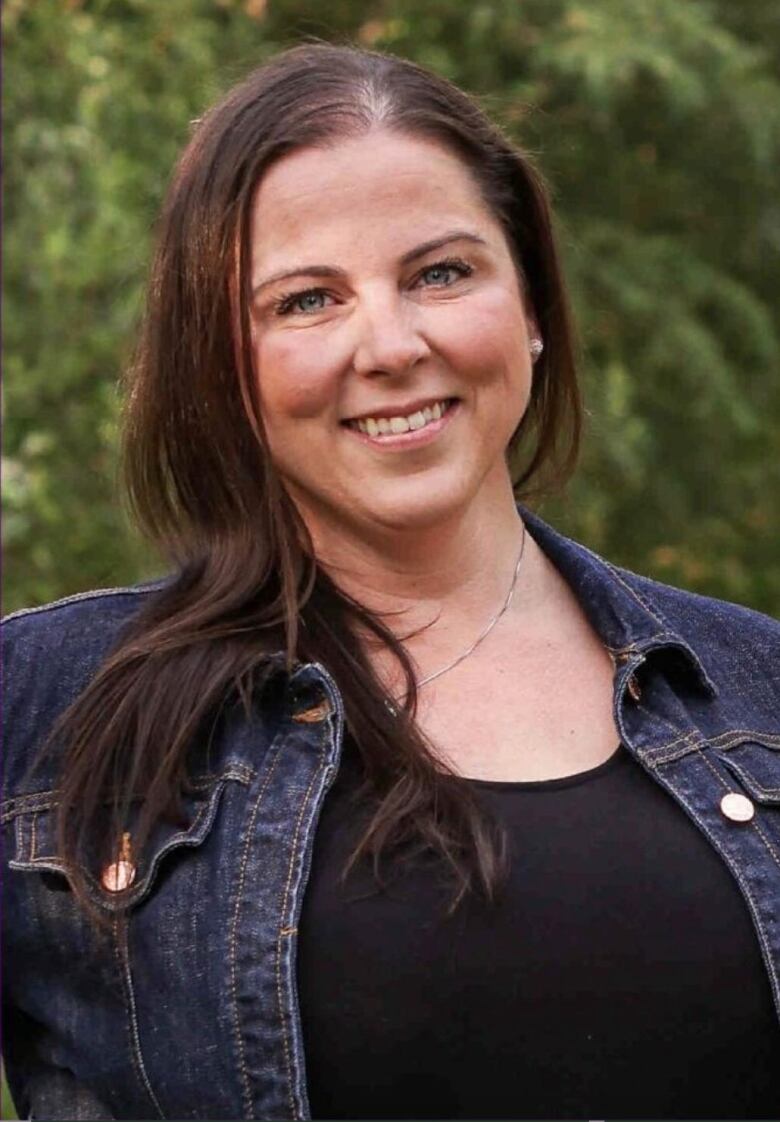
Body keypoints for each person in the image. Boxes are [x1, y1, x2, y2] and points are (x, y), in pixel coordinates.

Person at [3, 42, 780, 1122]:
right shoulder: (44, 711)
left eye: (442, 273)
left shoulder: (760, 690)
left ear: (534, 307)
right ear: (224, 364)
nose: (391, 344)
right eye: (309, 300)